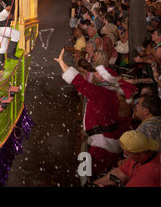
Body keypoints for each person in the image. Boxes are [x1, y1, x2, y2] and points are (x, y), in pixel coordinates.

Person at [55, 49, 127, 177]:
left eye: (98, 73)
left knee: (95, 173)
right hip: (103, 138)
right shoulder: (109, 93)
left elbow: (78, 81)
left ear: (104, 79)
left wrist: (62, 63)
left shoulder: (100, 92)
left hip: (102, 144)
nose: (94, 74)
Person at [94, 131, 160, 187]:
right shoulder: (143, 156)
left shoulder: (147, 175)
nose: (125, 154)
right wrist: (94, 184)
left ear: (140, 153)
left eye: (127, 153)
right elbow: (119, 173)